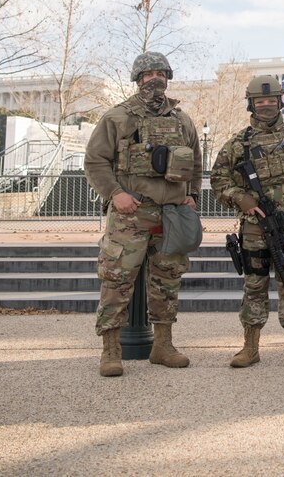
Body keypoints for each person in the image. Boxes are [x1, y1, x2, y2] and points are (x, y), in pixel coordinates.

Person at [85, 51, 200, 377]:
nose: (154, 78)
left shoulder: (183, 121)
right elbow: (95, 161)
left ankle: (162, 346)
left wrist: (191, 196)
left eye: (159, 73)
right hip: (131, 213)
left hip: (172, 217)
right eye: (147, 73)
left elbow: (195, 162)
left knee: (166, 281)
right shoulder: (118, 117)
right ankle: (110, 351)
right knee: (116, 281)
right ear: (137, 80)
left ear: (168, 77)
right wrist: (115, 193)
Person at [210, 74, 284, 368]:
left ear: (280, 101)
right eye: (259, 101)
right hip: (254, 228)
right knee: (255, 285)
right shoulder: (237, 144)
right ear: (251, 103)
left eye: (270, 99)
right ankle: (250, 347)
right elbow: (218, 180)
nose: (265, 105)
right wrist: (241, 198)